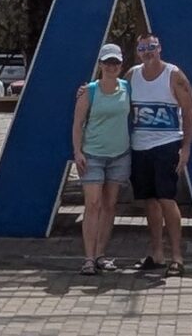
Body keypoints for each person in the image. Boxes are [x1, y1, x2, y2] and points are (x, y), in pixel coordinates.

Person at [125, 34, 192, 275]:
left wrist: (185, 147)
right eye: (143, 48)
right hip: (139, 146)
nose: (148, 52)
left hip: (167, 144)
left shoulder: (173, 75)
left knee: (167, 199)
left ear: (160, 48)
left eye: (151, 47)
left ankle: (177, 256)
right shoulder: (132, 75)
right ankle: (157, 253)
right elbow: (113, 96)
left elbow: (189, 112)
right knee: (150, 201)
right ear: (138, 51)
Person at [69, 43, 132, 275]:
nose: (112, 66)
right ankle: (88, 257)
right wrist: (78, 152)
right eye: (107, 62)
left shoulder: (127, 87)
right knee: (93, 204)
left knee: (109, 205)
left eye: (115, 62)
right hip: (93, 154)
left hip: (119, 154)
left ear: (121, 65)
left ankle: (100, 254)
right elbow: (77, 124)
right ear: (100, 65)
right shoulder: (89, 91)